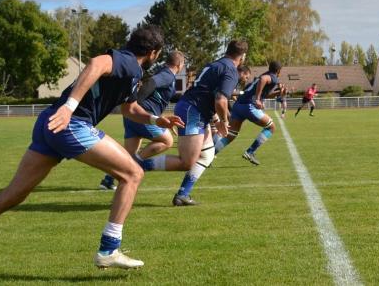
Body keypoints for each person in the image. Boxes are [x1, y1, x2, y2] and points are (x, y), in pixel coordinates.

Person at [0, 26, 184, 283]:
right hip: (70, 123)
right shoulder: (127, 62)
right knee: (133, 173)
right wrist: (70, 107)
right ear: (154, 52)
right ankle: (108, 250)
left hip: (51, 122)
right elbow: (96, 63)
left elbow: (129, 108)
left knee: (14, 193)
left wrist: (155, 119)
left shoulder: (132, 73)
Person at [134, 40, 247, 206]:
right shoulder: (231, 70)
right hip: (193, 112)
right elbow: (220, 100)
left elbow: (207, 93)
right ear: (242, 56)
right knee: (186, 161)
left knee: (207, 155)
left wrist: (215, 119)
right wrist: (223, 121)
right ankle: (137, 165)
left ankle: (182, 194)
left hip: (195, 110)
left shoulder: (215, 64)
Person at [98, 50, 186, 191]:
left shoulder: (165, 73)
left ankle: (108, 180)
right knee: (167, 141)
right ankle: (138, 164)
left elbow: (167, 95)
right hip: (143, 116)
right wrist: (136, 103)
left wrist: (186, 97)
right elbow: (151, 83)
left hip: (132, 117)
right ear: (180, 64)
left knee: (128, 155)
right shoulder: (167, 75)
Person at [214, 61, 283, 166]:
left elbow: (266, 93)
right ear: (278, 71)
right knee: (271, 127)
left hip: (238, 105)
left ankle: (209, 156)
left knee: (231, 135)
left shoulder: (266, 75)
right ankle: (250, 152)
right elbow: (263, 80)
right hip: (248, 106)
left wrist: (279, 92)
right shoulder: (272, 77)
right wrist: (257, 98)